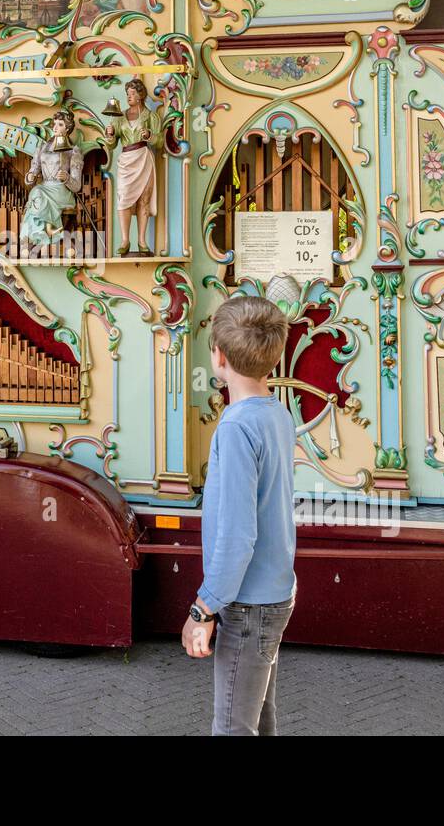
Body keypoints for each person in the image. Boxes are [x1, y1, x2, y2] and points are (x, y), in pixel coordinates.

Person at [182, 295, 296, 736]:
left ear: (220, 356)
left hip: (247, 605)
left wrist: (204, 607)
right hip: (274, 593)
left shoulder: (234, 427)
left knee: (232, 727)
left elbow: (237, 536)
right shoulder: (278, 414)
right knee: (257, 721)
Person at [106, 78, 160, 255]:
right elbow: (112, 145)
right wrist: (111, 135)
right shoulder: (119, 117)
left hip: (143, 158)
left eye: (132, 93)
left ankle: (142, 240)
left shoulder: (151, 117)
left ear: (140, 95)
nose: (129, 96)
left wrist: (150, 135)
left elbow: (159, 142)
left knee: (143, 199)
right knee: (123, 199)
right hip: (126, 160)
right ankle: (125, 239)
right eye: (127, 93)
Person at [20, 109, 84, 248]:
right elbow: (33, 171)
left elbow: (77, 186)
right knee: (36, 191)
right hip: (44, 187)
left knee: (38, 193)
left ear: (67, 128)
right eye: (54, 124)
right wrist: (30, 176)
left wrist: (66, 178)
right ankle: (43, 232)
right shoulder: (42, 148)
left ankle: (43, 233)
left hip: (61, 190)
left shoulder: (73, 151)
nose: (55, 127)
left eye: (60, 124)